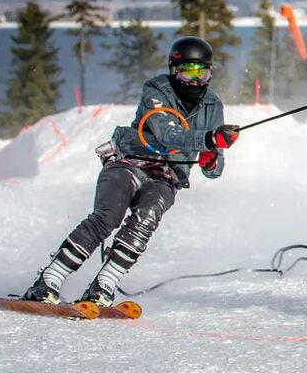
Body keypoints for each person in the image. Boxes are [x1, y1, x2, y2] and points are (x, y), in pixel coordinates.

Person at [21, 36, 240, 306]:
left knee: (145, 220)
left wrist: (211, 161)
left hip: (167, 176)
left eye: (201, 73)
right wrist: (207, 139)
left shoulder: (213, 106)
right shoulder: (157, 90)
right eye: (187, 73)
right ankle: (49, 279)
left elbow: (215, 167)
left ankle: (104, 284)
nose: (195, 82)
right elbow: (166, 134)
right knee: (107, 218)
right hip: (129, 161)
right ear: (174, 71)